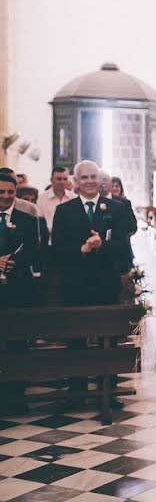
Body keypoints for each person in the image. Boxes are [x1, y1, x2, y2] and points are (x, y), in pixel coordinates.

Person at [52, 160, 131, 306]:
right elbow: (57, 249)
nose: (89, 181)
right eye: (84, 177)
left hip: (107, 284)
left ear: (100, 180)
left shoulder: (117, 208)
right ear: (76, 181)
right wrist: (81, 249)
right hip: (74, 285)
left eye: (93, 177)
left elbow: (123, 247)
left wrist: (102, 244)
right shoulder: (63, 210)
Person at [0, 173, 38, 415]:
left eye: (10, 192)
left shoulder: (26, 218)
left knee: (17, 342)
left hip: (17, 288)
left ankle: (16, 395)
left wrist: (15, 261)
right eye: (1, 192)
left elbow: (35, 250)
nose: (5, 196)